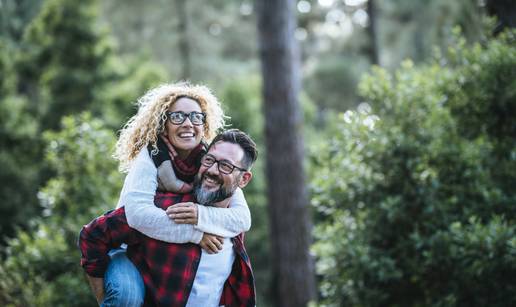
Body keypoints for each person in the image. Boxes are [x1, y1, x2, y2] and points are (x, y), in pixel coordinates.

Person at [99, 83, 252, 306]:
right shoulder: (149, 157)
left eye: (196, 117)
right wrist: (197, 234)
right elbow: (137, 216)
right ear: (164, 124)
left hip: (159, 255)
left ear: (204, 123)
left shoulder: (210, 160)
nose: (188, 123)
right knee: (127, 297)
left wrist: (199, 214)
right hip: (129, 249)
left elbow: (242, 218)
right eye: (178, 116)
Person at [79, 129, 258, 306]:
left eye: (226, 166)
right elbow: (93, 235)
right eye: (209, 160)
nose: (212, 170)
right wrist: (103, 299)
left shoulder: (234, 225)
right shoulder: (168, 207)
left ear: (243, 180)